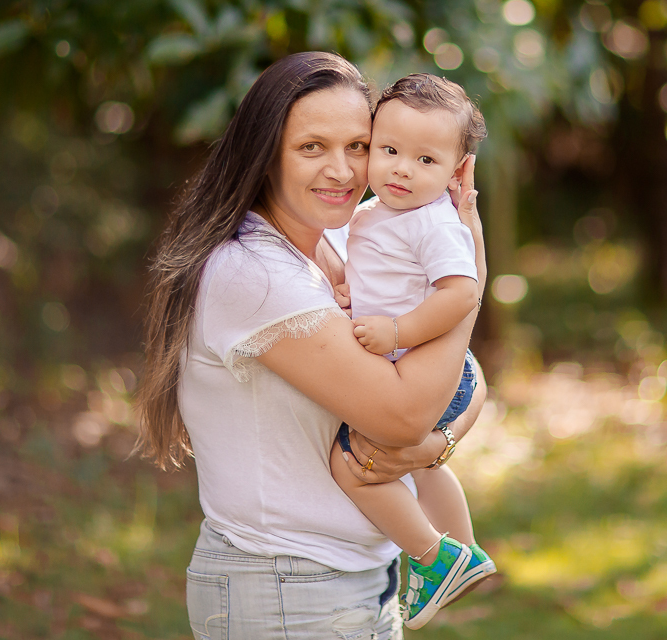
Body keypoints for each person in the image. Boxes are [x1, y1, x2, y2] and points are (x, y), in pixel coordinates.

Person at [136, 52, 486, 638]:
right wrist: (469, 279)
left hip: (362, 578)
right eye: (311, 147)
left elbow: (464, 376)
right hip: (286, 588)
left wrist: (435, 443)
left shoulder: (349, 243)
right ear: (265, 154)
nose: (343, 170)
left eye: (357, 146)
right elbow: (403, 411)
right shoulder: (254, 272)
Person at [330, 73, 494, 629]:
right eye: (390, 150)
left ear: (455, 172)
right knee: (422, 470)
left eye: (426, 161)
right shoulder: (375, 213)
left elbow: (462, 293)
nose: (401, 168)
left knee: (352, 465)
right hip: (425, 365)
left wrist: (397, 331)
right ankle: (465, 554)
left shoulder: (433, 224)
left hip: (426, 364)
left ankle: (433, 555)